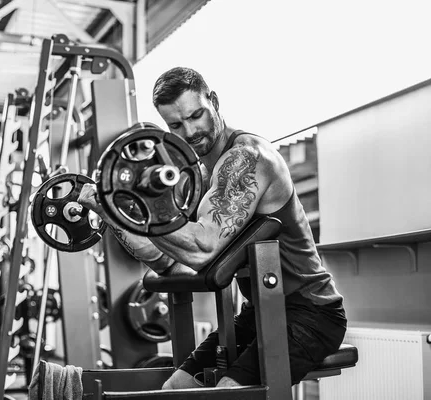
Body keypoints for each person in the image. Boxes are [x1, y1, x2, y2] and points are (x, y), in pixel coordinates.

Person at [78, 67, 346, 388]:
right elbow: (165, 258)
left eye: (196, 116)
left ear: (214, 102)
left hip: (311, 313)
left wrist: (149, 212)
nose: (190, 132)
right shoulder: (201, 177)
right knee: (176, 387)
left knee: (227, 393)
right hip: (259, 312)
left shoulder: (247, 159)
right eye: (176, 125)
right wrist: (108, 209)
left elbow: (202, 249)